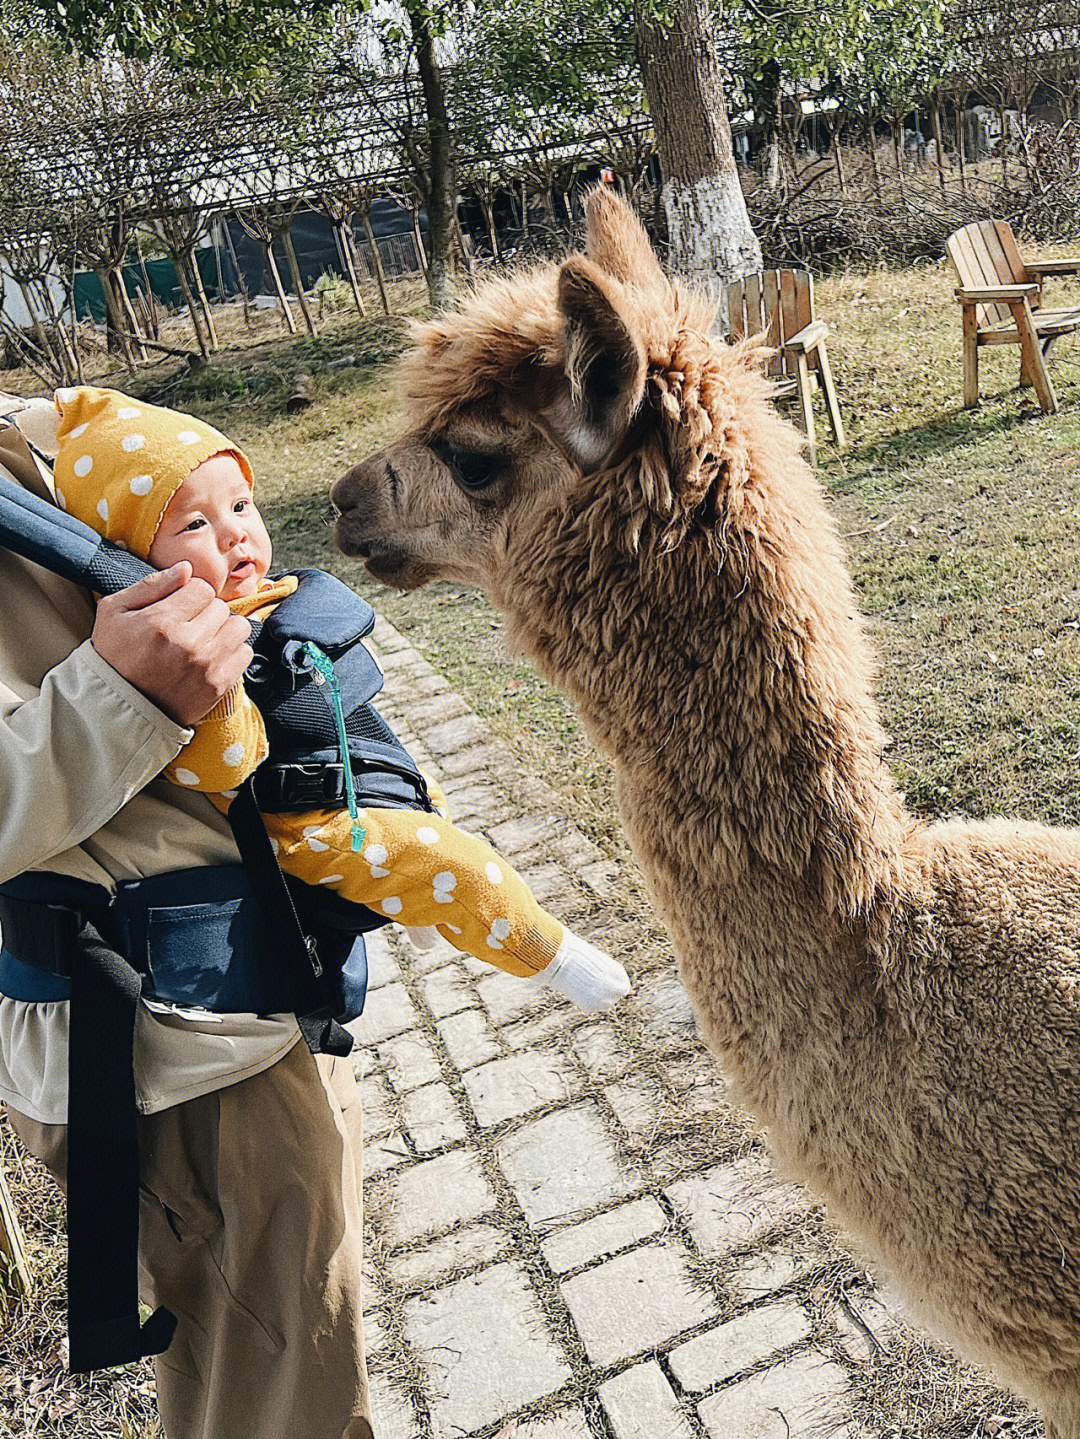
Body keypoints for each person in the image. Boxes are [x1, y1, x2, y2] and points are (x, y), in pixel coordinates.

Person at [22, 384, 630, 1008]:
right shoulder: (177, 655)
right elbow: (224, 767)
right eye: (196, 524)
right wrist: (220, 693)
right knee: (461, 866)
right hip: (309, 825)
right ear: (135, 558)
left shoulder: (259, 599)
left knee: (425, 806)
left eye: (241, 505)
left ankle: (416, 906)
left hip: (348, 772)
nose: (235, 535)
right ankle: (552, 955)